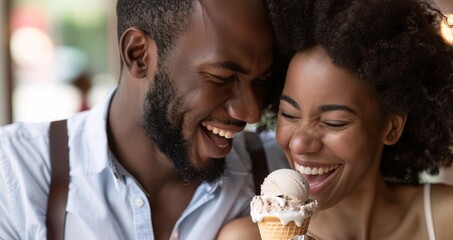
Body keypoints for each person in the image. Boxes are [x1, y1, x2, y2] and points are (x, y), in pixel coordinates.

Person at [0, 0, 288, 239]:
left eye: (262, 80)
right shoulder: (16, 175)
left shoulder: (283, 173)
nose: (251, 113)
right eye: (222, 77)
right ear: (137, 54)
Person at [219, 0, 453, 239]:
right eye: (289, 115)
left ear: (391, 127)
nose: (300, 143)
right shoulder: (245, 238)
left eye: (333, 122)